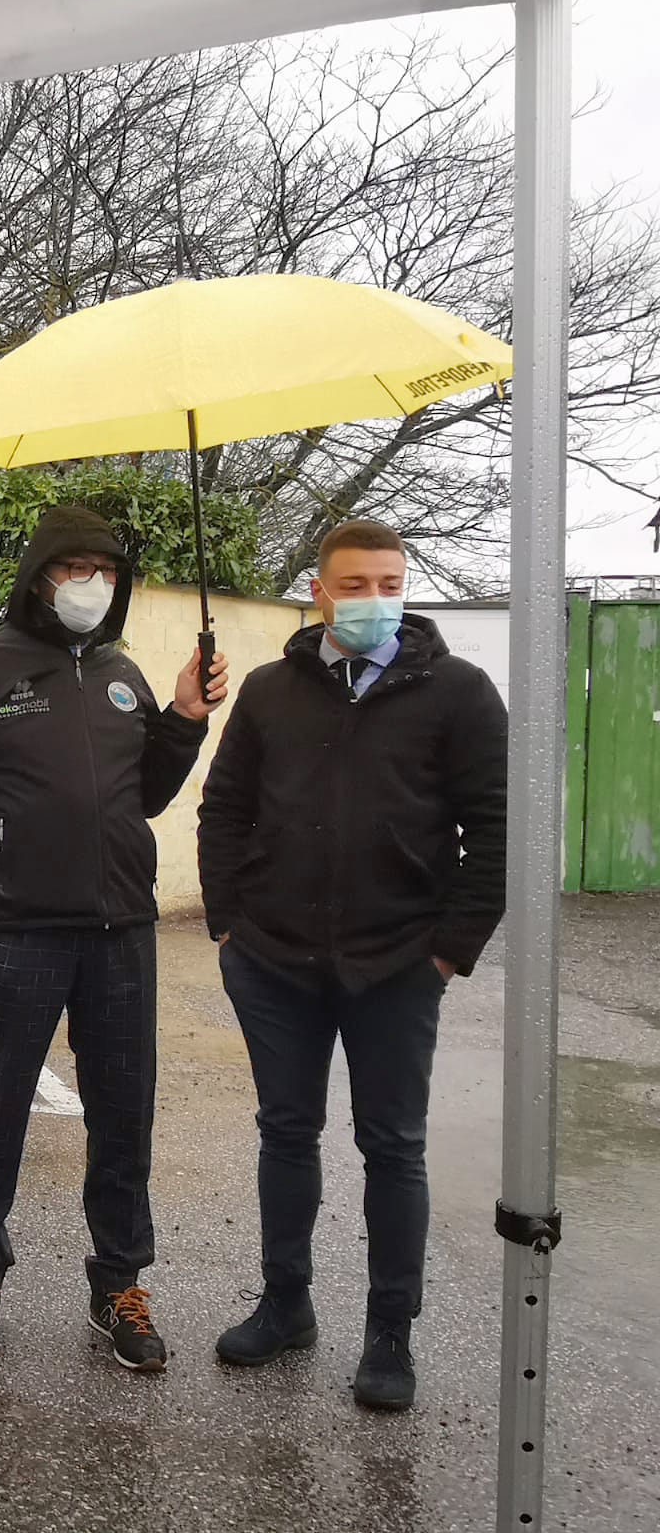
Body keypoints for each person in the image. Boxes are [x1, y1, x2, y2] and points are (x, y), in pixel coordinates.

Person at [0, 504, 227, 1372]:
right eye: (78, 567)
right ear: (40, 575)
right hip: (11, 934)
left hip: (121, 933)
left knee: (124, 1118)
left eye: (109, 571)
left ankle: (118, 1284)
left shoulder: (123, 674)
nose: (95, 584)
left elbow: (145, 794)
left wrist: (184, 716)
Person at [200, 518, 506, 1412]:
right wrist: (228, 925)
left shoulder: (458, 693)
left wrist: (448, 949)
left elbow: (497, 827)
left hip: (399, 963)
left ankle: (389, 1333)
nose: (375, 599)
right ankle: (285, 1304)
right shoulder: (269, 691)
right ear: (320, 592)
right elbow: (225, 810)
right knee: (286, 1132)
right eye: (357, 584)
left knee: (393, 1147)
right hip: (273, 960)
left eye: (389, 583)